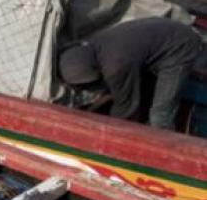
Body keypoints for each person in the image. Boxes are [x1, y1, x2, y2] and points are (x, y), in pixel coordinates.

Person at [58, 18, 206, 130]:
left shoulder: (116, 66)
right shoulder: (93, 44)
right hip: (165, 35)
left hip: (180, 48)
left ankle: (162, 156)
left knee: (160, 116)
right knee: (143, 93)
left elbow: (126, 111)